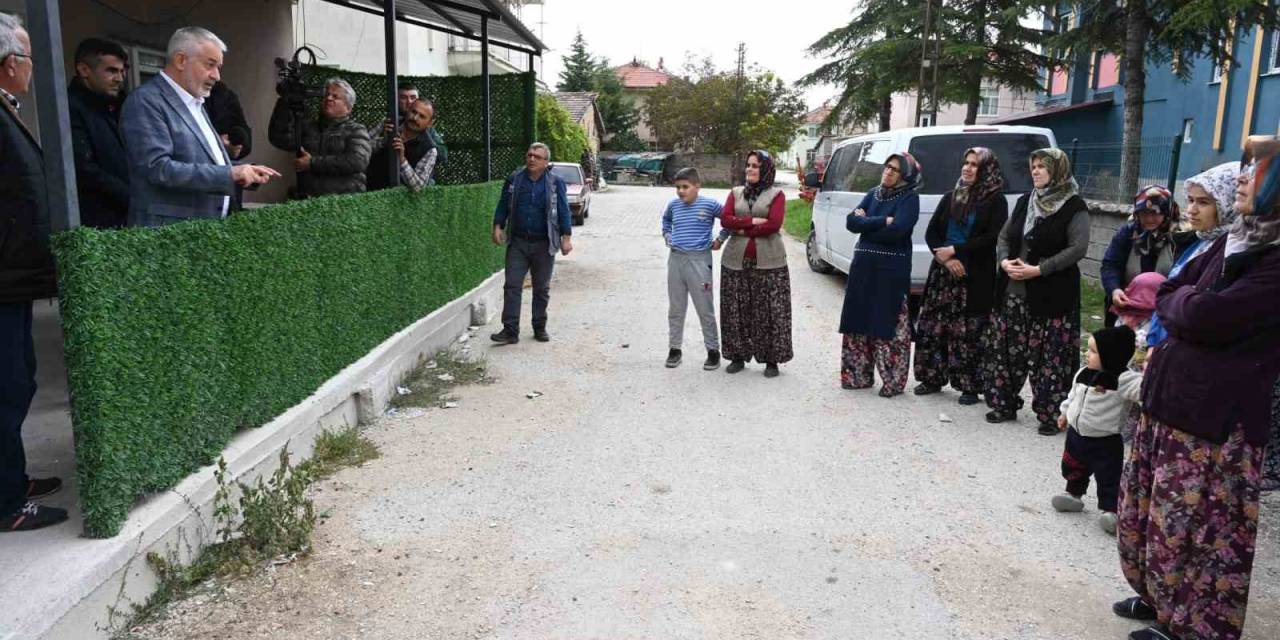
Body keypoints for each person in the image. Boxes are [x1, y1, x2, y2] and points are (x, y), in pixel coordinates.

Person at [1114, 135, 1280, 640]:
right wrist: (1184, 306)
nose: (1245, 179)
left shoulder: (1273, 258)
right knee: (1154, 517)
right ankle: (1161, 600)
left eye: (1258, 171)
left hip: (1216, 421)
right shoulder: (1235, 240)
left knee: (1200, 531)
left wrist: (1184, 307)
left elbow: (1209, 314)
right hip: (1172, 402)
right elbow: (1167, 290)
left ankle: (1192, 626)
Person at [0, 12, 67, 532]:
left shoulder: (6, 109)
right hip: (3, 279)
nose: (30, 66)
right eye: (26, 56)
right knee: (7, 386)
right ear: (8, 64)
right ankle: (6, 503)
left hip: (14, 280)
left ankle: (14, 477)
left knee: (19, 382)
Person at [122, 27, 279, 227]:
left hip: (203, 231)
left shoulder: (195, 101)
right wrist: (230, 174)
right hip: (168, 234)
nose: (217, 76)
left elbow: (199, 159)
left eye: (218, 67)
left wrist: (242, 170)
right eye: (210, 65)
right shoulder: (145, 101)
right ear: (180, 60)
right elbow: (158, 168)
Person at [985, 148, 1089, 435]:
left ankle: (1049, 414)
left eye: (1043, 166)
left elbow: (1077, 248)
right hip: (1013, 291)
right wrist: (1004, 260)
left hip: (1052, 293)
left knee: (1049, 356)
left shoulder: (1074, 206)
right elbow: (1005, 236)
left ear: (1057, 171)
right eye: (1033, 166)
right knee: (1006, 351)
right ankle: (1003, 404)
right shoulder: (1024, 201)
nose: (1036, 171)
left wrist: (1039, 270)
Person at [913, 148, 1008, 404]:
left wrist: (957, 251)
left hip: (974, 276)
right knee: (934, 328)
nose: (967, 168)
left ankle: (969, 386)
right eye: (965, 163)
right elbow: (932, 233)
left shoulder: (995, 200)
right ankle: (931, 377)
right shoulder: (950, 197)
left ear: (986, 169)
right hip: (943, 274)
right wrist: (945, 258)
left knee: (969, 332)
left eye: (974, 165)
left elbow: (992, 238)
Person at [839, 152, 922, 396]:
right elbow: (850, 222)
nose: (888, 172)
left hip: (890, 272)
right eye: (887, 167)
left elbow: (897, 230)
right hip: (863, 268)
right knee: (857, 319)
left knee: (888, 323)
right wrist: (881, 221)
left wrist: (869, 224)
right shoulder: (872, 193)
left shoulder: (909, 198)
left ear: (905, 175)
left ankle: (892, 382)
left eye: (895, 169)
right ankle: (857, 376)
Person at [1050, 325, 1141, 536]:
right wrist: (1064, 413)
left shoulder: (1123, 379)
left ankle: (1111, 511)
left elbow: (1142, 388)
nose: (1086, 354)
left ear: (1111, 355)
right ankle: (1073, 494)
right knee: (1073, 465)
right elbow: (1073, 396)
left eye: (1093, 351)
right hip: (1077, 434)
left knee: (1108, 475)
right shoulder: (1083, 373)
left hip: (1105, 440)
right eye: (1088, 349)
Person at [1143, 163, 1240, 352]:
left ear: (1228, 203)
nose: (1191, 210)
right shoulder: (1197, 242)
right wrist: (1153, 343)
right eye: (1190, 200)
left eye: (1203, 202)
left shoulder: (1230, 252)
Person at [490, 143, 574, 344]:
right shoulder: (515, 180)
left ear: (546, 162)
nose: (532, 159)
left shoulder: (555, 183)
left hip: (544, 244)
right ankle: (510, 330)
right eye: (529, 155)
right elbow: (503, 205)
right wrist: (497, 226)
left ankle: (539, 327)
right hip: (518, 242)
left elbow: (563, 210)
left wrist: (566, 237)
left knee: (541, 288)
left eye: (537, 156)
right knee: (512, 286)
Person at [719, 150, 792, 378]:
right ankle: (737, 356)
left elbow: (773, 224)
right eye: (748, 165)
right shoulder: (735, 192)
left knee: (770, 311)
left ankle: (771, 360)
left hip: (770, 262)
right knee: (735, 310)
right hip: (734, 261)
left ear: (766, 170)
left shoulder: (777, 194)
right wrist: (750, 222)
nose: (750, 169)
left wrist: (739, 228)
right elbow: (725, 219)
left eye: (755, 166)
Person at [267, 77, 371, 198]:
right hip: (309, 201)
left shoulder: (356, 130)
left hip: (345, 202)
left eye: (335, 97)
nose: (328, 98)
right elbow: (280, 139)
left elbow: (357, 161)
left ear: (348, 107)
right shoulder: (308, 127)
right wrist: (284, 103)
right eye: (326, 95)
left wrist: (312, 163)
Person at [661, 167, 722, 370]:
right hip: (676, 260)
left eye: (685, 187)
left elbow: (728, 219)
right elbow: (666, 220)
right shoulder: (673, 206)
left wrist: (720, 238)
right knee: (676, 308)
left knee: (705, 308)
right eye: (677, 187)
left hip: (699, 261)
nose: (680, 191)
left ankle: (713, 351)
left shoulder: (710, 205)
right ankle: (674, 349)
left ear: (697, 186)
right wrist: (667, 235)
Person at [68, 37, 130, 229]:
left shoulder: (119, 106)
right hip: (97, 224)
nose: (119, 78)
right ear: (84, 70)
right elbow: (84, 169)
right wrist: (131, 197)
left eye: (122, 71)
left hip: (127, 218)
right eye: (111, 71)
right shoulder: (69, 108)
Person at [1100, 185, 1184, 326]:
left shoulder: (1180, 237)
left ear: (1167, 212)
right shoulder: (1128, 232)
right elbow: (1110, 264)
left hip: (1166, 310)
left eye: (1155, 213)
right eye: (1144, 213)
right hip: (1128, 305)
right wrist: (1114, 289)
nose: (1149, 219)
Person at [366, 98, 437, 192]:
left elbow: (418, 187)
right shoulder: (389, 123)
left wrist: (402, 160)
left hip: (396, 200)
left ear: (430, 123)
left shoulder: (430, 149)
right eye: (413, 112)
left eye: (422, 116)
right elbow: (360, 148)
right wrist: (383, 142)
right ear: (408, 109)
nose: (415, 118)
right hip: (367, 189)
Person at [371, 84, 448, 165]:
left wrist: (421, 134)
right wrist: (383, 139)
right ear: (396, 100)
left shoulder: (429, 130)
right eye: (403, 97)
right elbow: (364, 145)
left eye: (413, 97)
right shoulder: (388, 122)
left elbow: (443, 155)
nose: (409, 102)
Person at [205, 81, 251, 212]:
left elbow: (243, 132)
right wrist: (216, 144)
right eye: (209, 64)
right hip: (199, 191)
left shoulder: (226, 96)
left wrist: (237, 147)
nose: (215, 74)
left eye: (217, 67)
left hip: (229, 187)